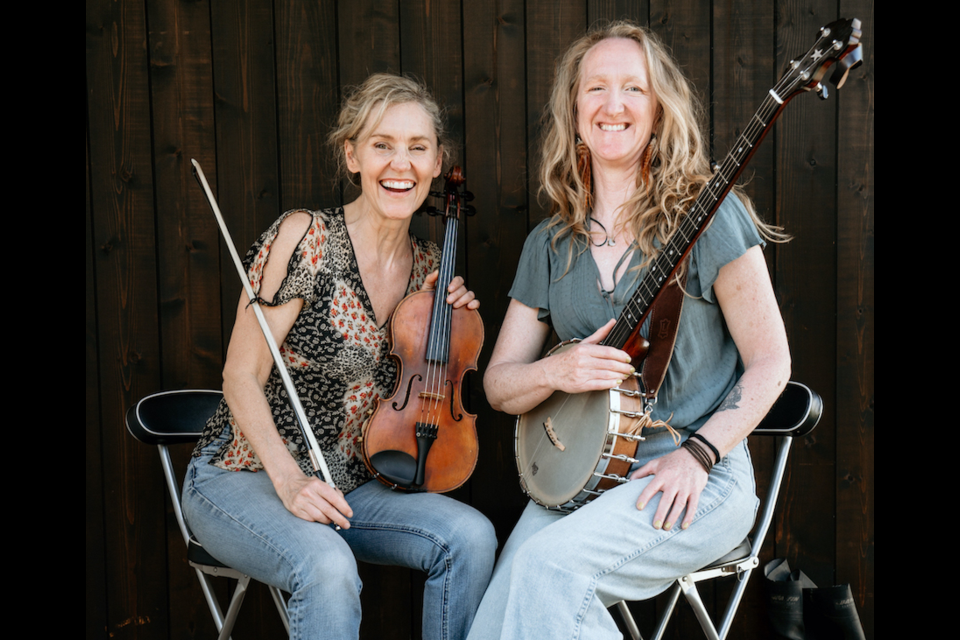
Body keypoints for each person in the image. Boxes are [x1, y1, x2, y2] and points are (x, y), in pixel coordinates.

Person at [467, 21, 792, 640]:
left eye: (633, 89)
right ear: (574, 108)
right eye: (596, 88)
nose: (613, 105)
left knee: (549, 574)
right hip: (582, 481)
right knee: (495, 621)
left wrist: (698, 456)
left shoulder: (709, 216)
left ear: (658, 108)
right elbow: (501, 387)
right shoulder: (549, 244)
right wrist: (555, 371)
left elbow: (772, 362)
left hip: (696, 477)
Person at [182, 73, 496, 640]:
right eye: (382, 145)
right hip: (246, 475)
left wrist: (453, 325)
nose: (400, 164)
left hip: (350, 485)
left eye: (417, 148)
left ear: (436, 162)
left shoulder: (432, 272)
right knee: (326, 566)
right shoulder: (306, 237)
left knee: (469, 537)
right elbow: (240, 375)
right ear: (352, 155)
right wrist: (289, 481)